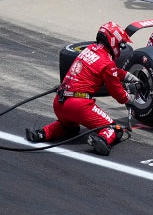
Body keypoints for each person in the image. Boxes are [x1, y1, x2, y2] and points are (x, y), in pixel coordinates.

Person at [25, 22, 140, 155]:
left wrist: (126, 75)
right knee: (115, 129)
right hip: (79, 105)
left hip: (59, 102)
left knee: (70, 128)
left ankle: (42, 133)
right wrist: (130, 99)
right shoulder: (107, 63)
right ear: (113, 40)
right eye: (121, 44)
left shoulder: (89, 49)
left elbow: (107, 70)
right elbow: (118, 94)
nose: (120, 48)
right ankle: (101, 140)